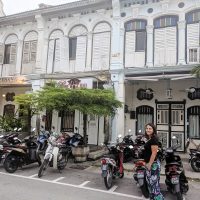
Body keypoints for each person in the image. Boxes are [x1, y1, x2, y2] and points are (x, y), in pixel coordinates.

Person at [143, 123, 164, 200]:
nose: (148, 130)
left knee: (155, 187)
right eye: (147, 128)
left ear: (153, 130)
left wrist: (149, 164)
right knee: (151, 185)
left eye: (150, 128)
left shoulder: (154, 139)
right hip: (150, 164)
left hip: (153, 165)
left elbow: (154, 153)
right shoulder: (150, 138)